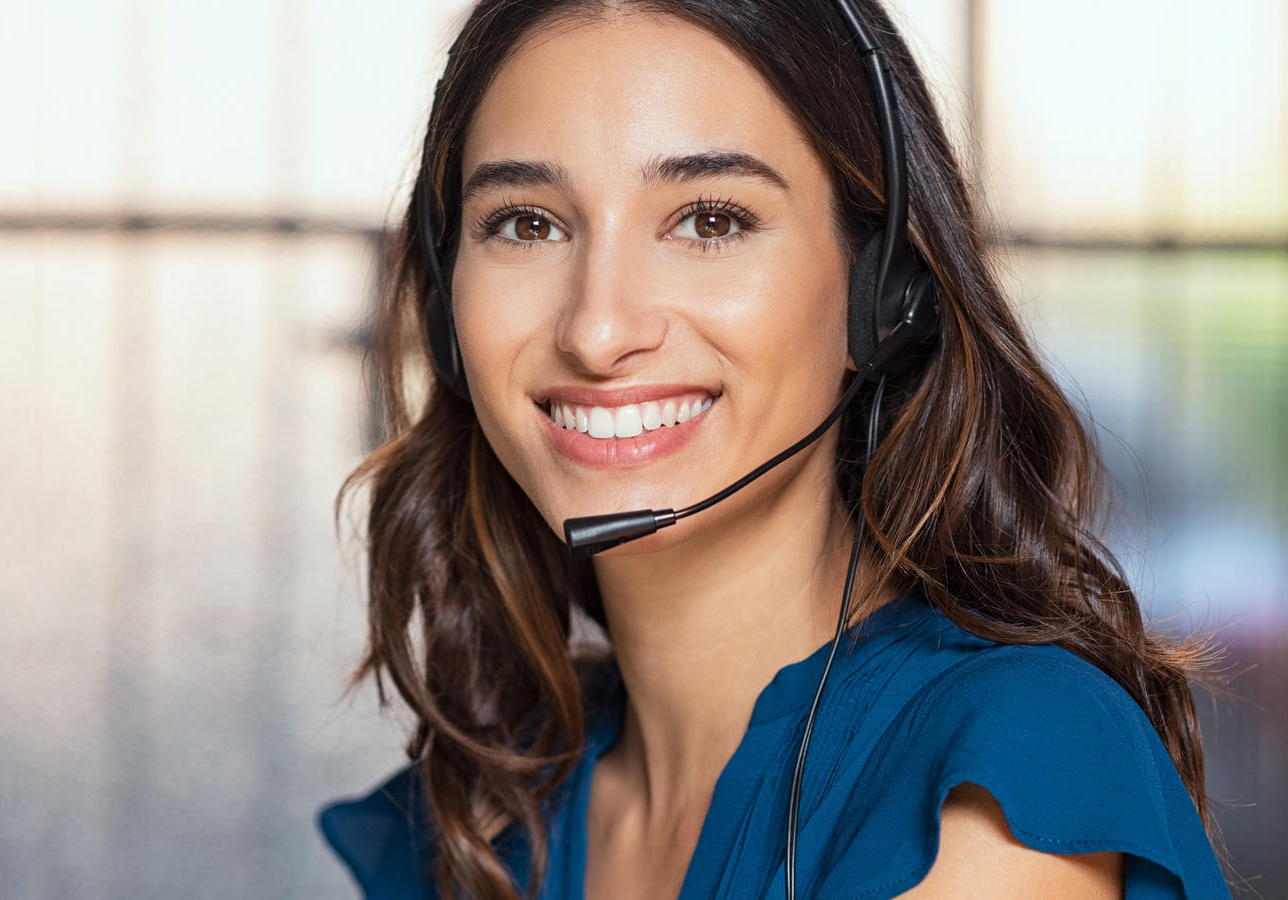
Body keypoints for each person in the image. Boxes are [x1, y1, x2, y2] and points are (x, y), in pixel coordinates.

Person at [318, 1, 1231, 898]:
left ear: (883, 297)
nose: (597, 331)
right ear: (444, 313)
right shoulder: (487, 813)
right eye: (527, 223)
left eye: (710, 220)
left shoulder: (1005, 770)